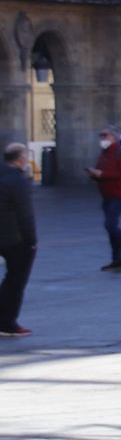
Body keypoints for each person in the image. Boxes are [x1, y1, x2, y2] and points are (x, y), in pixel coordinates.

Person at [88, 126, 121, 272]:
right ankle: (117, 259)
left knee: (110, 224)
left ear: (114, 137)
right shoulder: (103, 154)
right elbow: (101, 171)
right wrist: (94, 174)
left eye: (106, 135)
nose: (103, 139)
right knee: (112, 227)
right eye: (101, 136)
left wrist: (102, 174)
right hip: (107, 195)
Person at [0, 143, 37, 338]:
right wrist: (32, 240)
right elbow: (26, 215)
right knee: (15, 280)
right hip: (14, 238)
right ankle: (7, 322)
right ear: (21, 159)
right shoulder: (18, 181)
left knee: (11, 279)